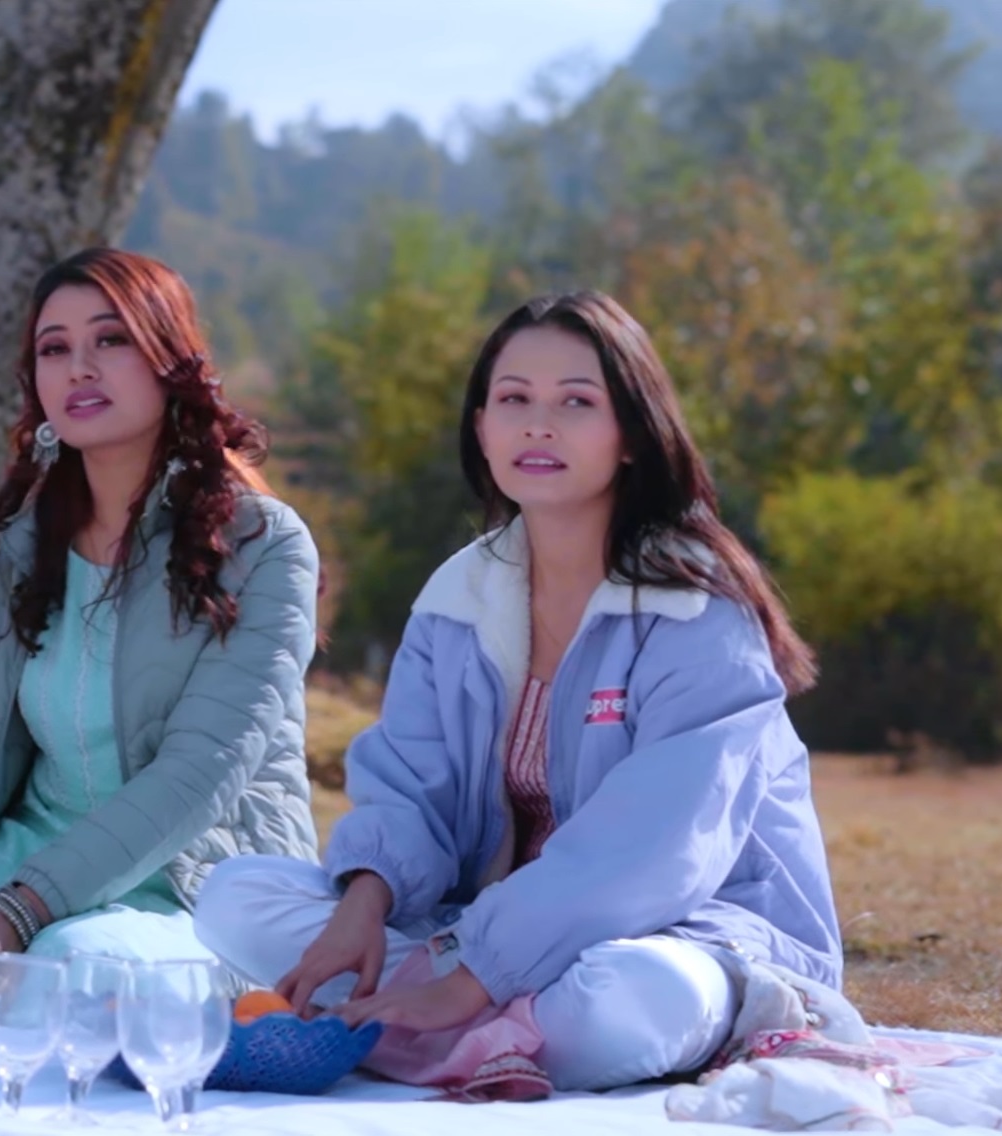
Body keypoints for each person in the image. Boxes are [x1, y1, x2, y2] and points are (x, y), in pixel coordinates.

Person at [194, 290, 843, 1092]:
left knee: (631, 1000)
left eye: (575, 402)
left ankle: (416, 1029)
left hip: (679, 934)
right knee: (235, 896)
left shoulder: (694, 609)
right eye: (513, 400)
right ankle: (481, 1035)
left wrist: (471, 979)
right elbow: (411, 789)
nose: (538, 426)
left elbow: (649, 852)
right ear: (480, 427)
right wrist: (363, 906)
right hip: (482, 929)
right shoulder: (457, 599)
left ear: (631, 433)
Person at [0, 247, 322, 993]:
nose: (79, 368)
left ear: (170, 360)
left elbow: (199, 775)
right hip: (21, 861)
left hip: (196, 881)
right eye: (54, 348)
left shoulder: (264, 547)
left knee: (61, 975)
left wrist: (19, 911)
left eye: (111, 339)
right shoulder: (17, 549)